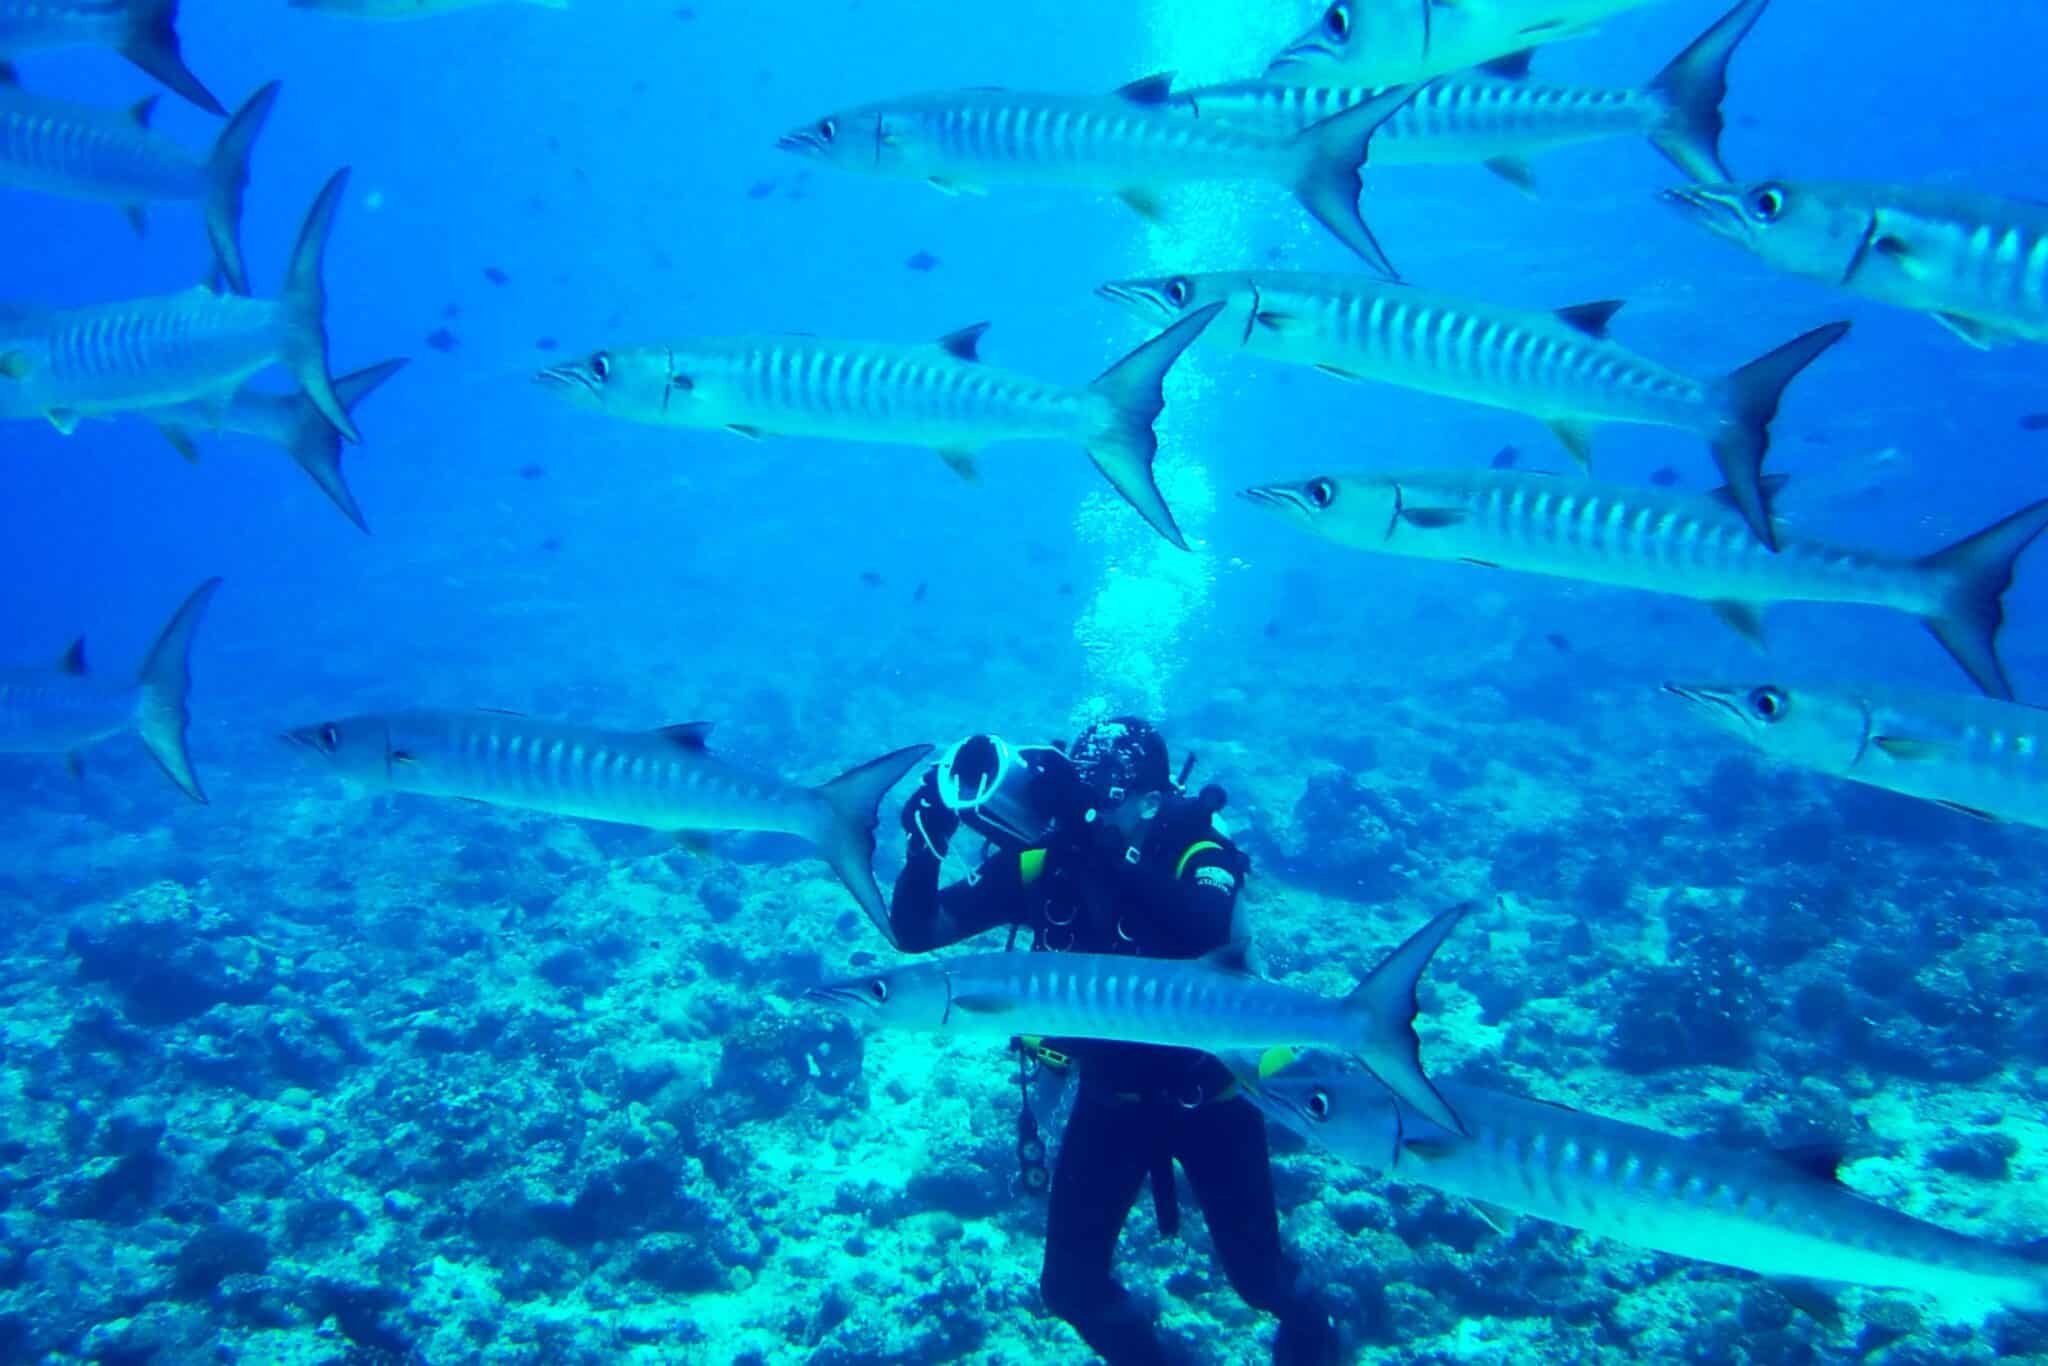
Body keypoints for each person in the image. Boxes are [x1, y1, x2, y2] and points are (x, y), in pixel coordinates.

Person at [890, 717, 1343, 1366]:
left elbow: (1208, 932)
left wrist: (1099, 848)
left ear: (1152, 799)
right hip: (1110, 1103)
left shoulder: (1194, 843)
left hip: (1209, 1099)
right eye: (1085, 796)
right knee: (1069, 1288)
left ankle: (1316, 1331)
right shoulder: (1048, 864)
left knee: (1259, 1280)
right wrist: (923, 845)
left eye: (1107, 801)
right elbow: (917, 932)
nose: (1093, 814)